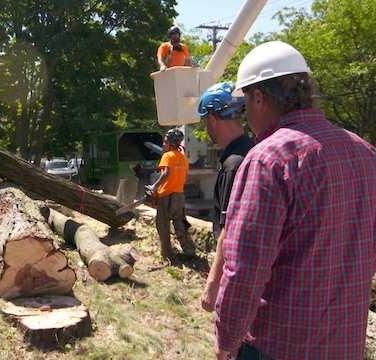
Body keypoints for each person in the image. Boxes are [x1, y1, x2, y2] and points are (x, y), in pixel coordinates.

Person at [214, 41, 376, 360]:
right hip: (345, 345)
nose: (246, 118)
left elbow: (244, 270)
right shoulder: (364, 152)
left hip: (278, 347)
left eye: (246, 104)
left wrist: (226, 341)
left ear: (259, 98)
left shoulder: (268, 159)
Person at [195, 82, 254, 312]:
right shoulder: (252, 149)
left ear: (212, 119)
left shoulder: (233, 165)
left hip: (236, 270)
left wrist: (212, 283)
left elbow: (229, 230)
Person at [146, 129, 196, 263]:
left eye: (165, 141)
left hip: (167, 195)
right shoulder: (183, 157)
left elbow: (166, 173)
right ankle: (189, 250)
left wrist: (154, 187)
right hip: (179, 195)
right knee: (180, 224)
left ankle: (167, 254)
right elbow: (184, 177)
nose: (163, 144)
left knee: (162, 225)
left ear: (171, 143)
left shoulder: (168, 156)